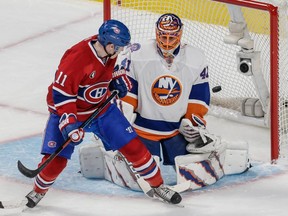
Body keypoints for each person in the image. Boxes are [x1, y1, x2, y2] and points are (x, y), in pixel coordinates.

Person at [23, 19, 181, 208]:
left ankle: (158, 186)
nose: (121, 51)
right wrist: (69, 122)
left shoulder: (108, 49)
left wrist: (117, 80)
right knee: (56, 162)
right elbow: (62, 94)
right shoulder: (76, 58)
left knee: (135, 149)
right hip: (69, 111)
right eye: (119, 47)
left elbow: (109, 71)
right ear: (109, 44)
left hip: (101, 110)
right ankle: (37, 192)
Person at [118, 13, 212, 166]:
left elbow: (199, 95)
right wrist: (121, 118)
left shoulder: (196, 58)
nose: (167, 42)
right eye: (163, 36)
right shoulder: (137, 53)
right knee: (144, 171)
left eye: (172, 37)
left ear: (180, 34)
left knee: (188, 167)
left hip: (176, 130)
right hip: (141, 129)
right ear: (156, 33)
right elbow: (127, 89)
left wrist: (191, 120)